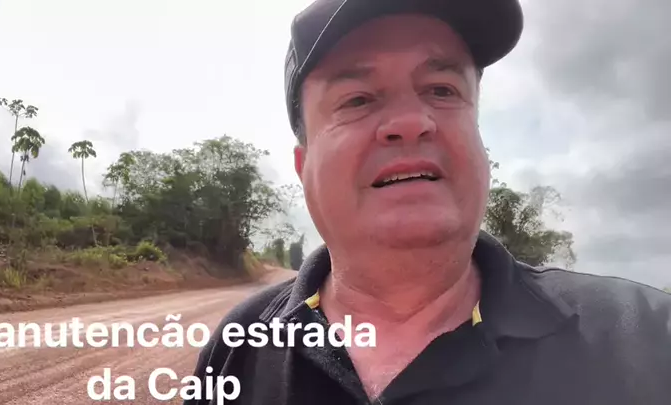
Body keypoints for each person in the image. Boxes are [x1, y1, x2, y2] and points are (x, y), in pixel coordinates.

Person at [184, 0, 671, 404]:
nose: (411, 122)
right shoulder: (238, 349)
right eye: (357, 99)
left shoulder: (646, 340)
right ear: (302, 164)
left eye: (441, 90)